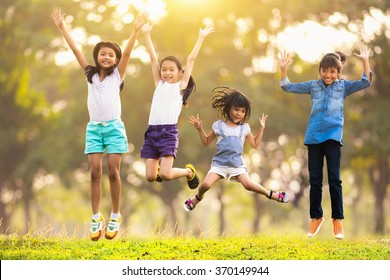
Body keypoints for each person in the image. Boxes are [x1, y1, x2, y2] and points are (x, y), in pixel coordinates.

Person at [52, 7, 148, 241]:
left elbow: (126, 54)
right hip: (94, 128)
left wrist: (135, 31)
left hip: (114, 128)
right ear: (97, 57)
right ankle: (96, 218)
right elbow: (75, 49)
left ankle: (115, 215)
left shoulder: (117, 76)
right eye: (103, 54)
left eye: (111, 55)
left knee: (113, 172)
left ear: (115, 60)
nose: (107, 57)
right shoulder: (90, 75)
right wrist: (63, 27)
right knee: (95, 173)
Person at [277, 46, 373, 239]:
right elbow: (287, 86)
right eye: (324, 70)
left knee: (335, 180)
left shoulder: (343, 87)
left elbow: (366, 82)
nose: (327, 75)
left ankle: (337, 220)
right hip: (313, 138)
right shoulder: (313, 86)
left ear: (338, 73)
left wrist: (365, 60)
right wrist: (283, 69)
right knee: (315, 181)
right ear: (319, 70)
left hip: (333, 138)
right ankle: (316, 218)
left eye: (332, 71)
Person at [183, 87, 289, 212]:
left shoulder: (244, 128)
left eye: (243, 111)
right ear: (229, 108)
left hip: (237, 165)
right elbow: (206, 142)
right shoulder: (218, 125)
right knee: (205, 185)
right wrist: (200, 129)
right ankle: (197, 198)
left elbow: (255, 144)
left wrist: (261, 128)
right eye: (236, 109)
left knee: (249, 185)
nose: (239, 113)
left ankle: (271, 194)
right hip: (219, 165)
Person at [140, 23, 214, 189]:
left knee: (165, 175)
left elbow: (191, 59)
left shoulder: (180, 87)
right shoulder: (159, 84)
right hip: (151, 132)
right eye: (164, 69)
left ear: (180, 72)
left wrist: (201, 37)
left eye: (171, 70)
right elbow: (153, 58)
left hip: (168, 133)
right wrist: (146, 34)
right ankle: (159, 168)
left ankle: (188, 172)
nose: (167, 72)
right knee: (151, 177)